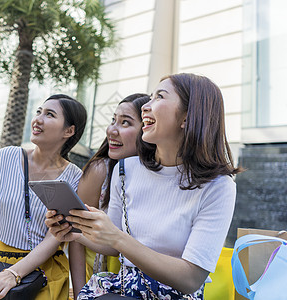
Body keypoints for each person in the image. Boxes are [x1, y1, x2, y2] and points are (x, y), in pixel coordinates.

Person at [46, 73, 241, 299]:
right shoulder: (125, 169)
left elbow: (191, 279)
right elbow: (113, 245)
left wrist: (117, 238)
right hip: (123, 289)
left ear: (187, 118)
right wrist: (75, 232)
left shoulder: (219, 186)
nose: (146, 107)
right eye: (149, 97)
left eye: (159, 97)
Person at [0, 94, 87, 300]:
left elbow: (56, 236)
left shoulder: (75, 177)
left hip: (44, 272)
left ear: (69, 131)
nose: (38, 119)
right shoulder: (7, 156)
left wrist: (13, 274)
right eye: (39, 112)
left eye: (50, 114)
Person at [69, 93, 150, 299]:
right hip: (98, 281)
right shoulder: (101, 170)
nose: (112, 130)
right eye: (113, 120)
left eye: (125, 123)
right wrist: (80, 293)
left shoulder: (155, 175)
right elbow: (77, 235)